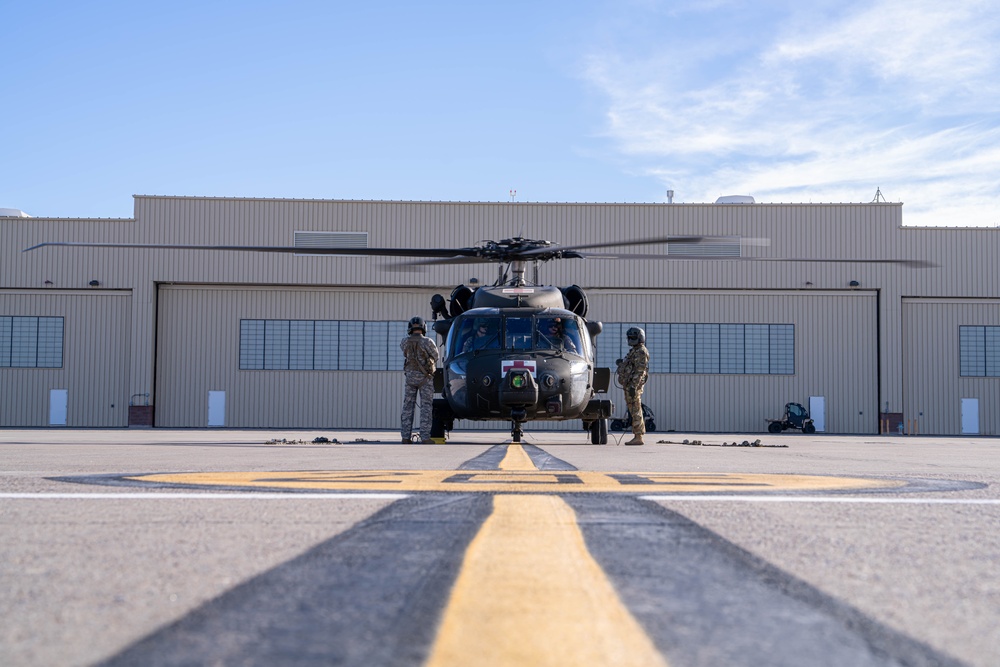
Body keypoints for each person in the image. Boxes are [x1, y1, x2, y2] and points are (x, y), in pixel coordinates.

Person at [400, 316, 440, 443]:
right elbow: (436, 356)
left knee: (407, 407)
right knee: (426, 407)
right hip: (425, 379)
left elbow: (404, 352)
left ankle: (405, 437)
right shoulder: (428, 342)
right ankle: (425, 437)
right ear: (423, 328)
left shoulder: (404, 342)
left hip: (410, 379)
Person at [616, 326, 649, 445]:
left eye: (633, 337)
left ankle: (638, 436)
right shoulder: (634, 351)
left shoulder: (641, 351)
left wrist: (633, 387)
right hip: (629, 384)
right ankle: (637, 435)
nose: (631, 340)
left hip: (633, 386)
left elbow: (640, 371)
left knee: (635, 409)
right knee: (633, 408)